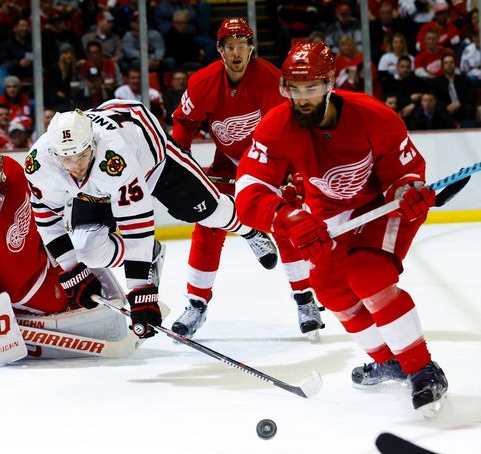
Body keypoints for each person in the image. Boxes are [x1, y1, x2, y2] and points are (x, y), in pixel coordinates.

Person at [234, 40, 448, 414]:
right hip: (328, 214)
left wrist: (408, 190)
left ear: (330, 82)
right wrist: (287, 217)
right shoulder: (277, 125)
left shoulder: (375, 117)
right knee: (330, 289)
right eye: (294, 88)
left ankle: (423, 370)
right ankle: (387, 361)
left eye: (311, 88)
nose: (301, 98)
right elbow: (249, 189)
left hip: (381, 207)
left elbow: (405, 175)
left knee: (366, 274)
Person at [25, 101, 274, 339]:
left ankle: (249, 230)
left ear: (93, 142)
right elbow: (45, 213)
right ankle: (152, 255)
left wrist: (141, 290)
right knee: (88, 251)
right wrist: (72, 268)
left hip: (153, 162)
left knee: (212, 213)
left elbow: (137, 226)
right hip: (97, 188)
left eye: (81, 156)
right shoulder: (39, 162)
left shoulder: (114, 157)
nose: (76, 166)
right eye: (66, 159)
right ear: (53, 152)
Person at [171, 18, 321, 340]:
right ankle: (196, 303)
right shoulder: (202, 82)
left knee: (285, 219)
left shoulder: (271, 80)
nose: (236, 52)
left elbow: (294, 127)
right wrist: (182, 164)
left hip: (269, 163)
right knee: (210, 221)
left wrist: (295, 172)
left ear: (252, 49)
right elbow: (184, 122)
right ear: (220, 50)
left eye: (242, 45)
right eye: (230, 46)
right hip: (227, 162)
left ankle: (305, 298)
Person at [0, 133, 132, 364]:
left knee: (84, 264)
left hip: (42, 254)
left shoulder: (12, 170)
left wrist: (56, 245)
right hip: (22, 287)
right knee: (60, 301)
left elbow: (40, 208)